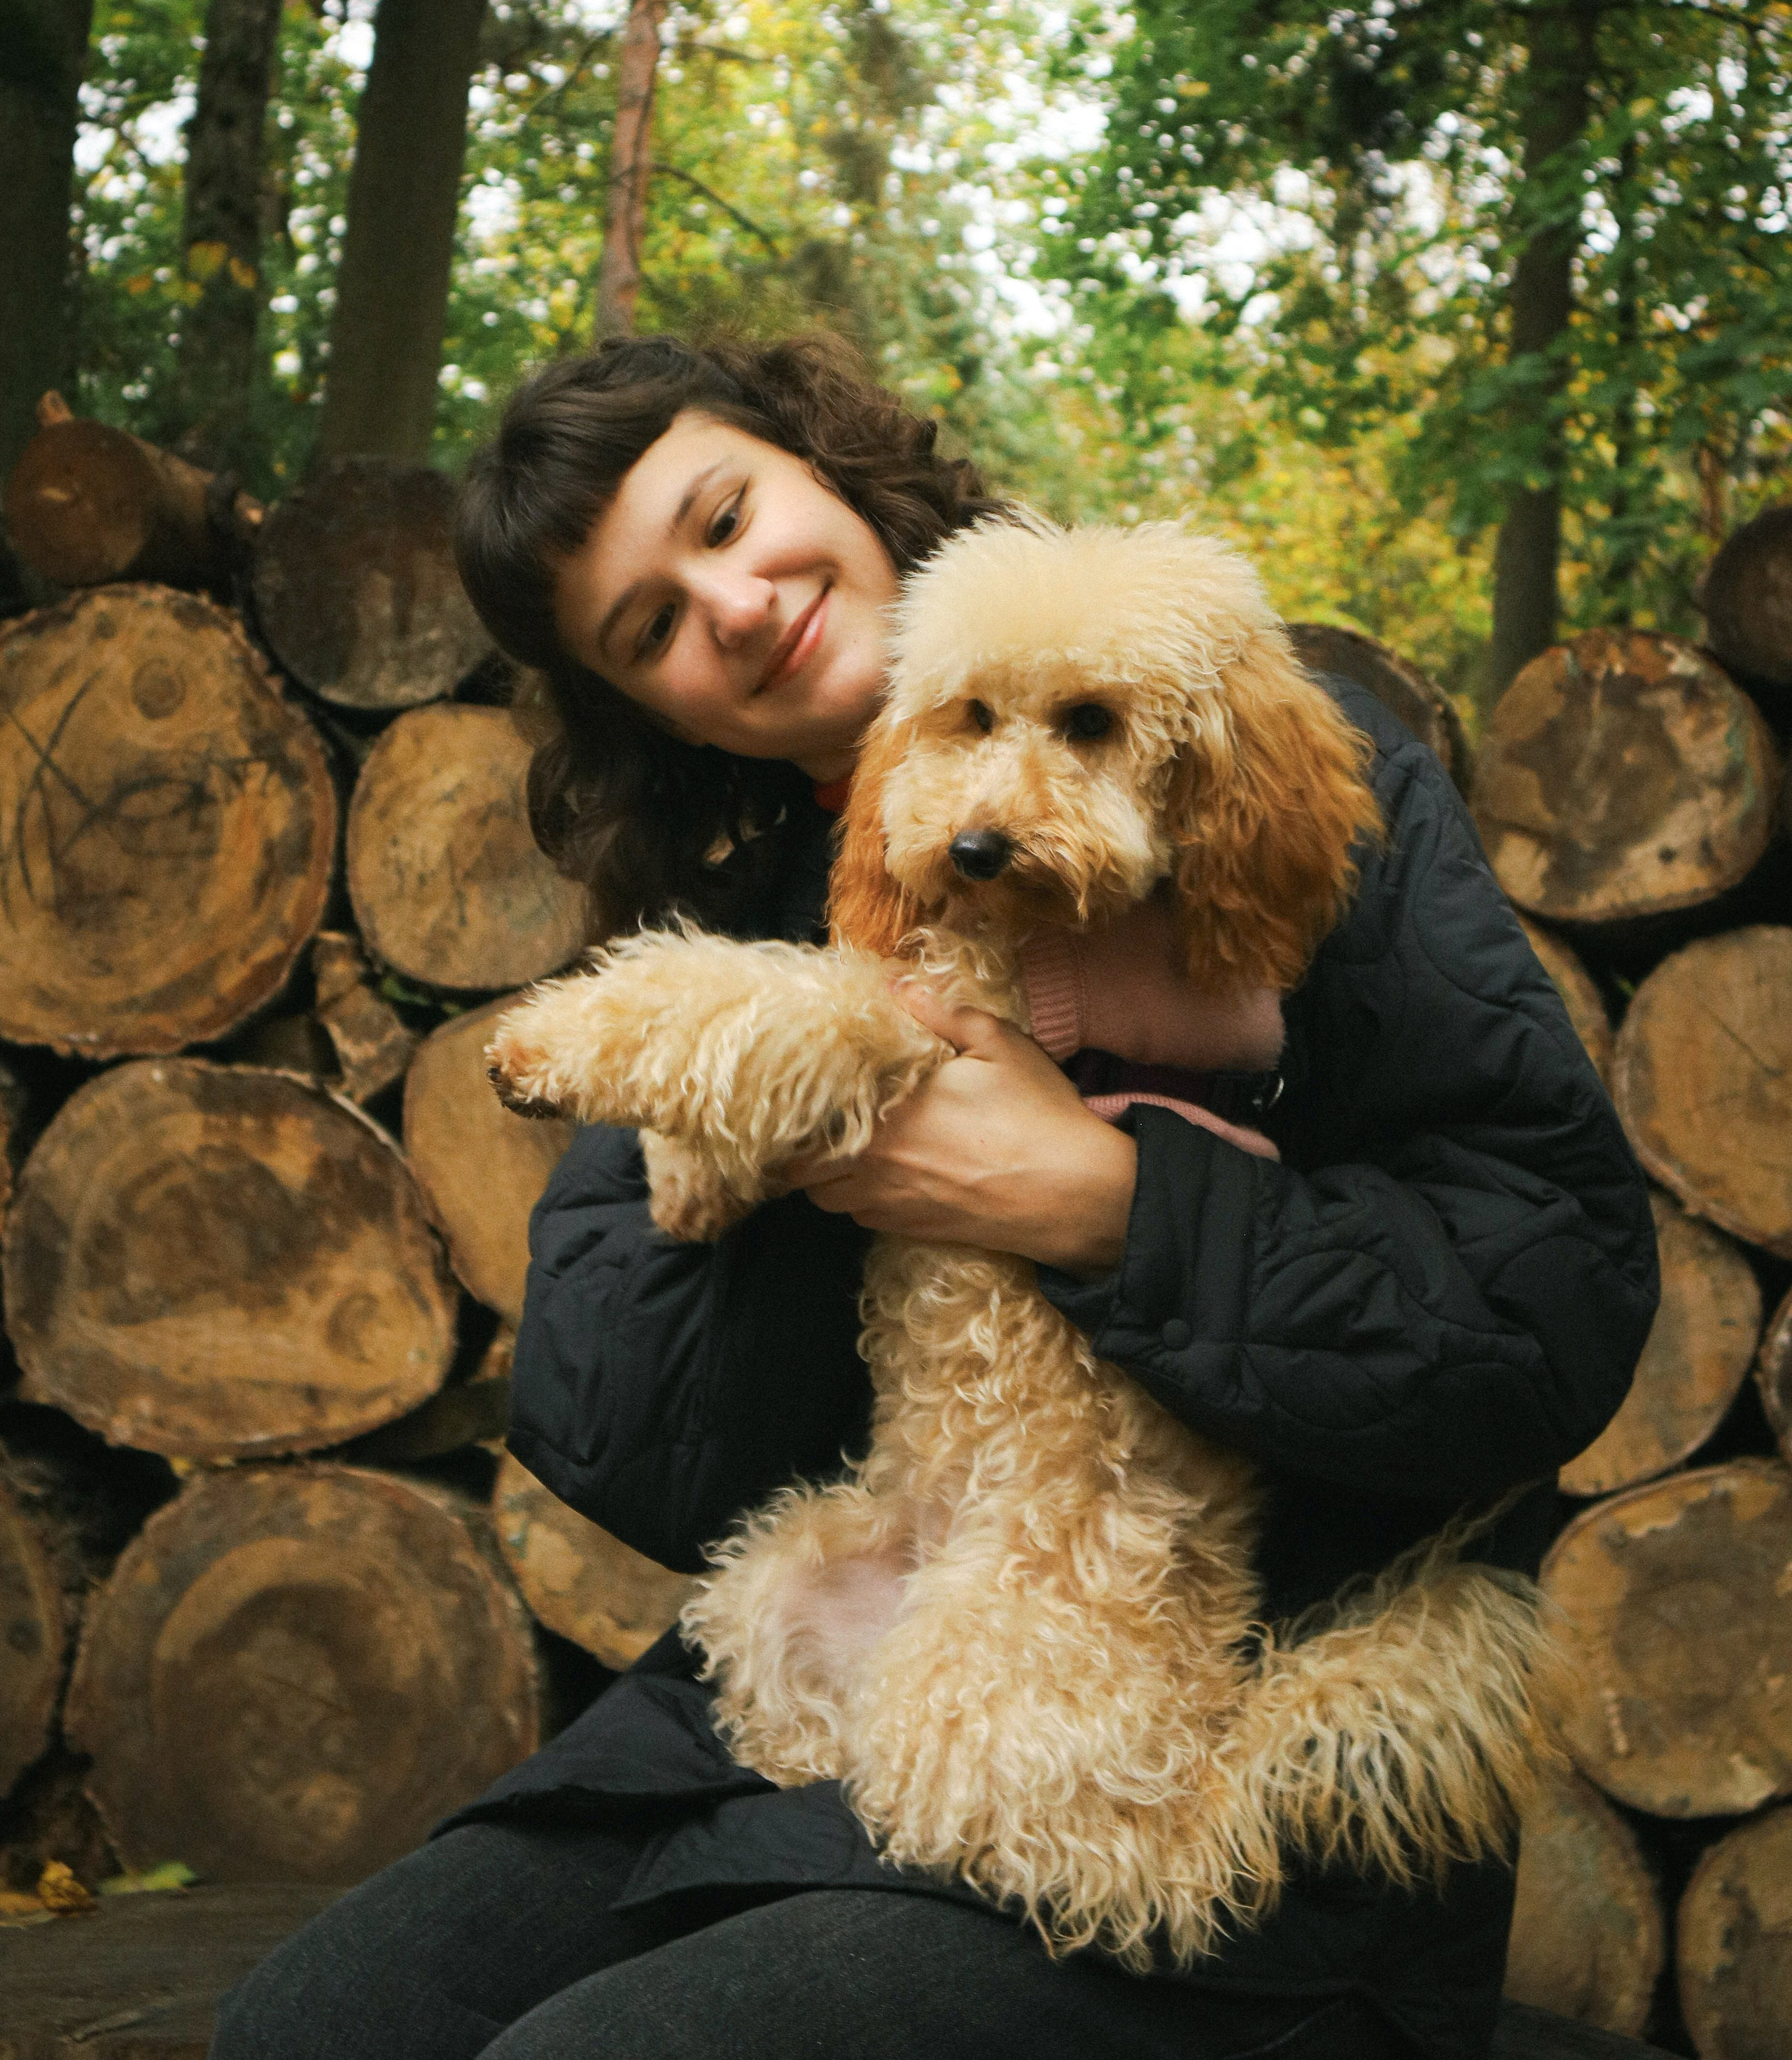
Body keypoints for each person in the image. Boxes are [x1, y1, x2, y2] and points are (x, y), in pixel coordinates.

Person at [211, 334, 1658, 2060]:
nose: (732, 606)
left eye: (725, 517)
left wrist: (1105, 1202)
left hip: (1208, 1723)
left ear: (825, 466)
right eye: (650, 628)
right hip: (818, 1704)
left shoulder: (1272, 753)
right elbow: (612, 1423)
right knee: (312, 2028)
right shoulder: (739, 899)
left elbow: (1545, 1304)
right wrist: (831, 1139)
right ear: (645, 710)